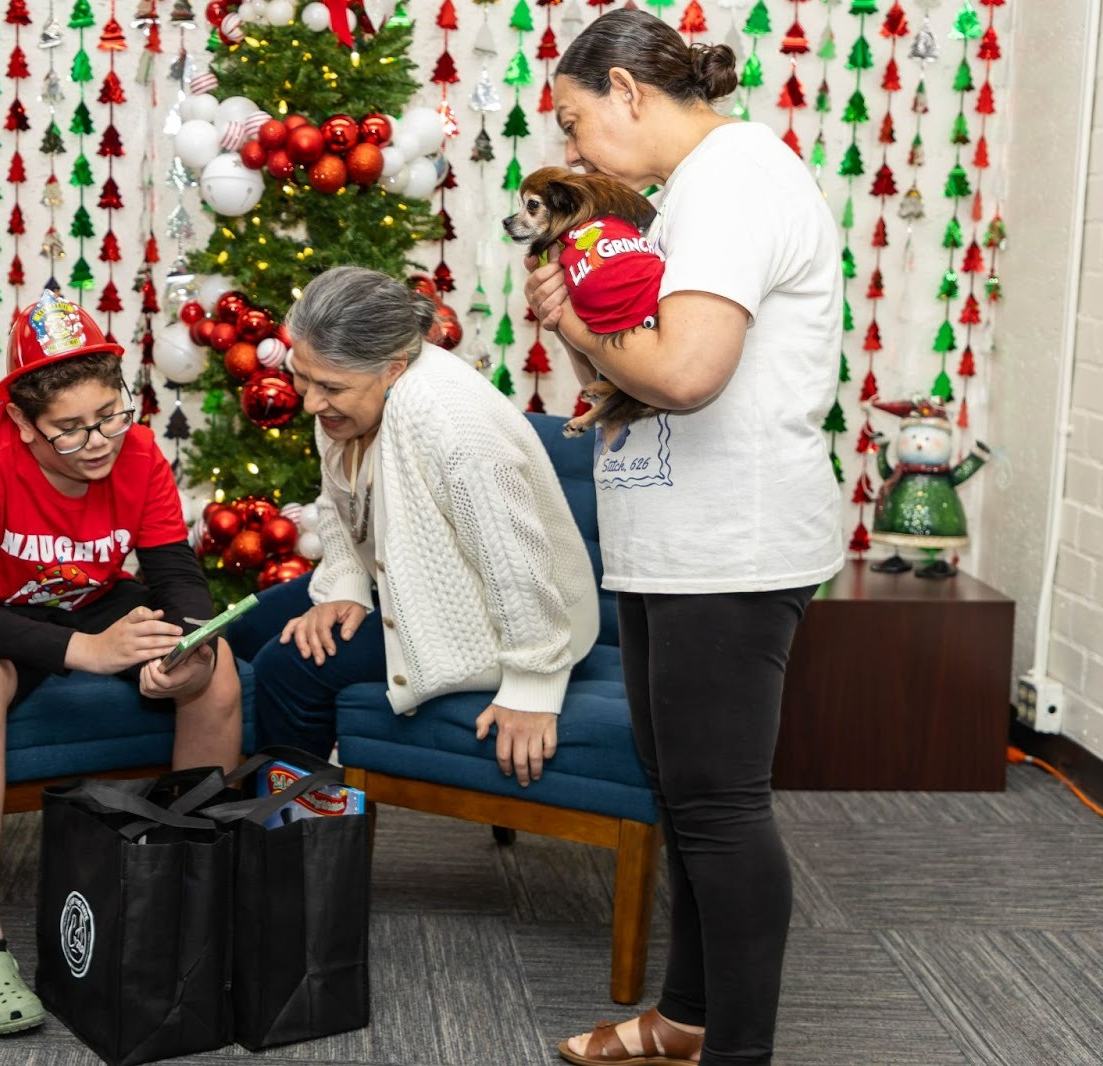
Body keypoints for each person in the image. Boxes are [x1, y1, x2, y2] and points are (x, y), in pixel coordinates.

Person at [521, 10, 844, 1066]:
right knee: (686, 796)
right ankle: (684, 1020)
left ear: (626, 89)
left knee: (718, 809)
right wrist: (582, 335)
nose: (575, 151)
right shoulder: (680, 203)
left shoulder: (733, 181)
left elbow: (689, 375)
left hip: (731, 540)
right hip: (674, 534)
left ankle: (733, 1051)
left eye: (577, 121)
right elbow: (633, 380)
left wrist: (576, 324)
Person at [0, 291, 242, 1036]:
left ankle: (189, 901)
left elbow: (175, 573)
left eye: (111, 415)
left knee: (216, 672)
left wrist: (184, 646)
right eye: (71, 430)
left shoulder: (140, 451)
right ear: (23, 423)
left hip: (88, 600)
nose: (99, 442)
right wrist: (88, 653)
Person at [225, 266, 600, 787]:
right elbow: (336, 508)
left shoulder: (446, 419)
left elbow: (516, 558)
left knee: (290, 668)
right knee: (235, 634)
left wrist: (533, 685)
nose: (309, 402)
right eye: (301, 376)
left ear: (394, 368)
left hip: (510, 621)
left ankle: (296, 848)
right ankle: (235, 813)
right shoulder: (342, 396)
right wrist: (346, 588)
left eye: (329, 387)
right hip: (397, 584)